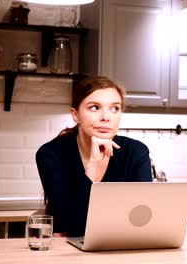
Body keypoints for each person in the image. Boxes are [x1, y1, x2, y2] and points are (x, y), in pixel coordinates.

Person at [35, 76, 152, 237]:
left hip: (122, 247)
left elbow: (143, 219)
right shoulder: (51, 154)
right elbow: (74, 225)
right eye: (95, 107)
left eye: (115, 108)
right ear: (75, 115)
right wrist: (93, 166)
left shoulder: (136, 152)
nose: (106, 117)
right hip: (67, 254)